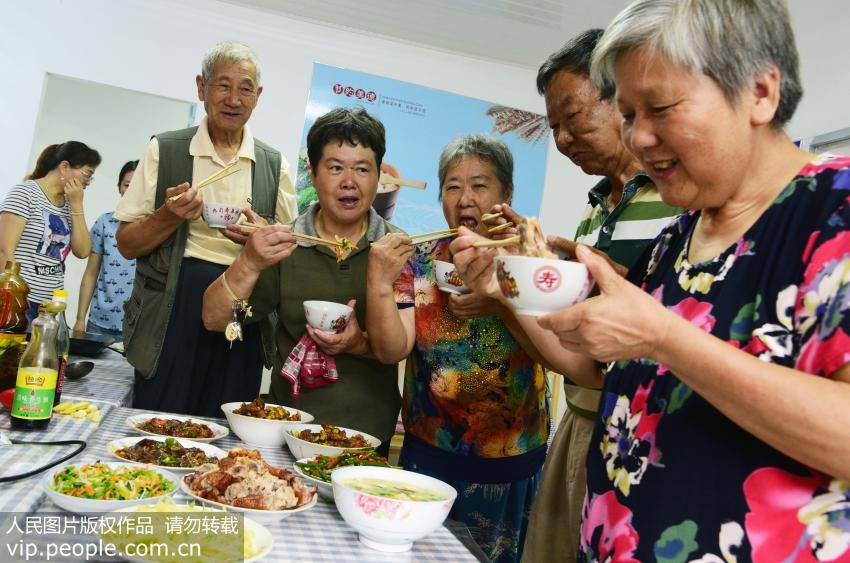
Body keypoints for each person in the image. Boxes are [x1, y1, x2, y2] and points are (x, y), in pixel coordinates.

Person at [453, 0, 850, 559]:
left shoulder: (834, 212)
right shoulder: (677, 238)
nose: (637, 138)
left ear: (760, 93)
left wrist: (665, 337)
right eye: (628, 114)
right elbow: (595, 370)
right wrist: (506, 292)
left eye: (659, 108)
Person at [516, 30, 682, 562]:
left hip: (645, 434)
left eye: (573, 118)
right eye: (554, 128)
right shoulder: (595, 207)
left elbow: (676, 326)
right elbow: (575, 340)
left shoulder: (683, 201)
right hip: (582, 414)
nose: (563, 139)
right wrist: (519, 284)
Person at [367, 134, 548, 563]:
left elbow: (552, 353)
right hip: (427, 458)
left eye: (480, 185)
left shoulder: (529, 260)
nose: (465, 198)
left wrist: (502, 305)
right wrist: (378, 280)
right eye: (453, 186)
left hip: (508, 463)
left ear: (506, 193)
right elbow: (392, 349)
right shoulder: (420, 261)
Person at [202, 107, 407, 454]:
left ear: (377, 177)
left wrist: (359, 343)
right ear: (313, 175)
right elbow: (214, 319)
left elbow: (397, 350)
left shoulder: (396, 249)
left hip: (367, 434)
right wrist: (250, 260)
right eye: (335, 167)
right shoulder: (285, 243)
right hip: (288, 427)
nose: (349, 181)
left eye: (362, 169)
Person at [115, 41, 297, 416]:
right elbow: (127, 245)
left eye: (245, 88)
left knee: (227, 421)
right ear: (202, 87)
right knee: (160, 420)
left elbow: (290, 254)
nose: (233, 99)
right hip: (171, 306)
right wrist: (170, 215)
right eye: (222, 85)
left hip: (242, 307)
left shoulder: (273, 164)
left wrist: (264, 236)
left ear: (258, 96)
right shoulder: (165, 149)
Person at [0, 142, 100, 321]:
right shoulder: (25, 193)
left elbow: (83, 251)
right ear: (64, 166)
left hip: (51, 305)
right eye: (87, 174)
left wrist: (77, 205)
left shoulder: (70, 204)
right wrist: (14, 298)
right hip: (20, 301)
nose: (88, 182)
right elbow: (4, 251)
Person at [74, 160, 138, 337]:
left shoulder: (153, 228)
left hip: (137, 326)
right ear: (119, 187)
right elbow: (91, 273)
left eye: (137, 186)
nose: (131, 191)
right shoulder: (105, 222)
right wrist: (80, 319)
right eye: (127, 185)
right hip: (99, 323)